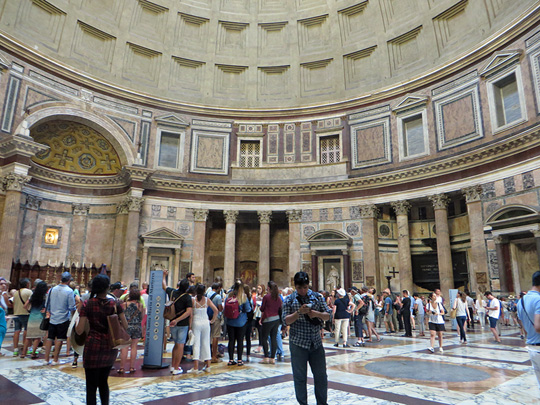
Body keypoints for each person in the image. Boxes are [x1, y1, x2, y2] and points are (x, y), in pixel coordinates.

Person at [76, 274, 128, 405]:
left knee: (91, 385)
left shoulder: (87, 304)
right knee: (103, 382)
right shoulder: (115, 304)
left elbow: (80, 330)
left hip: (92, 346)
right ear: (107, 287)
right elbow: (126, 325)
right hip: (109, 346)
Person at [284, 271, 331, 405]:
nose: (303, 291)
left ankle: (322, 403)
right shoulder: (289, 300)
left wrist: (316, 314)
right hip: (298, 343)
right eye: (300, 288)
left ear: (308, 285)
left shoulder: (317, 297)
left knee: (321, 376)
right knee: (300, 377)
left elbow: (328, 315)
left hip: (316, 343)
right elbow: (285, 321)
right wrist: (298, 312)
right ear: (295, 286)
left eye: (305, 287)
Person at [162, 271, 192, 375]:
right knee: (180, 345)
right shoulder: (187, 297)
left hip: (172, 322)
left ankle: (173, 366)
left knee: (175, 344)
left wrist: (164, 276)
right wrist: (178, 320)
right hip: (182, 323)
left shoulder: (172, 292)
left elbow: (164, 286)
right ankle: (176, 367)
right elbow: (188, 312)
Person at [44, 272, 76, 365]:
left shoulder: (52, 289)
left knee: (50, 338)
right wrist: (74, 316)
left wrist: (49, 312)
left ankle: (46, 359)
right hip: (63, 318)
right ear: (69, 280)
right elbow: (72, 306)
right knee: (59, 339)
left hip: (52, 317)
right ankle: (55, 360)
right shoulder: (69, 291)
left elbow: (47, 304)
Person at [517, 271, 540, 388]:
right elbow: (538, 327)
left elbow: (522, 324)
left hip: (532, 347)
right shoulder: (539, 300)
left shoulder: (521, 301)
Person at [189, 284, 218, 373]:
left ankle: (196, 368)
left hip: (196, 322)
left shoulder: (193, 300)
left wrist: (190, 326)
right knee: (206, 343)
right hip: (206, 322)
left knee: (196, 344)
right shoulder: (207, 300)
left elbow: (191, 315)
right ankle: (208, 366)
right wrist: (212, 320)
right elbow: (216, 310)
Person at [224, 279, 252, 366]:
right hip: (241, 321)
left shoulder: (229, 296)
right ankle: (239, 360)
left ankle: (230, 359)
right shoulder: (243, 297)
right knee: (240, 340)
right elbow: (248, 309)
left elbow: (225, 308)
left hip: (230, 321)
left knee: (231, 340)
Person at [119, 287, 145, 374]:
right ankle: (132, 367)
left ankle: (122, 368)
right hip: (137, 326)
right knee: (134, 347)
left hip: (126, 326)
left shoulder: (125, 304)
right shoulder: (140, 305)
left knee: (125, 347)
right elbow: (142, 316)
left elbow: (121, 315)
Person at [22, 281, 48, 359]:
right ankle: (33, 353)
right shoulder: (45, 296)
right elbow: (46, 306)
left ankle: (23, 353)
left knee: (28, 336)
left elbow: (25, 305)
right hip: (40, 317)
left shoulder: (33, 296)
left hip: (32, 317)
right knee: (37, 337)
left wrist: (29, 310)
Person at [260, 281, 282, 364]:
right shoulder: (278, 298)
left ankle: (266, 357)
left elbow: (262, 308)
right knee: (273, 338)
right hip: (276, 319)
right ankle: (272, 358)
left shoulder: (266, 297)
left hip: (268, 319)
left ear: (268, 288)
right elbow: (280, 308)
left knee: (264, 338)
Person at [12, 278, 32, 357]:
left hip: (16, 313)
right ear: (27, 284)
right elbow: (31, 301)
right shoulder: (29, 292)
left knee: (17, 331)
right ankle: (26, 347)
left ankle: (15, 350)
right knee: (26, 330)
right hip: (25, 313)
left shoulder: (16, 292)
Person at [207, 282, 223, 363]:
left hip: (207, 317)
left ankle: (207, 355)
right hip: (215, 317)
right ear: (218, 288)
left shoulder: (207, 294)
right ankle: (214, 356)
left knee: (208, 336)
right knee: (215, 336)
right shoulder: (218, 296)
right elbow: (220, 308)